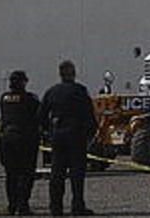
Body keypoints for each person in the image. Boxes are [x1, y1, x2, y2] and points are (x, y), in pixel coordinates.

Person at [39, 60, 97, 216]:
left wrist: (48, 132)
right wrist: (90, 134)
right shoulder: (80, 91)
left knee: (57, 173)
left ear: (60, 74)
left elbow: (41, 116)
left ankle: (55, 207)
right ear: (74, 73)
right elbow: (89, 116)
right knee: (77, 175)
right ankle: (77, 206)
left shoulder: (52, 92)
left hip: (58, 137)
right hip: (76, 137)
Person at [0, 70, 41, 215]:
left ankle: (12, 205)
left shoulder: (4, 98)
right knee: (26, 174)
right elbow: (39, 116)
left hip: (7, 139)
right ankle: (23, 205)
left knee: (11, 174)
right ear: (23, 82)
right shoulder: (30, 99)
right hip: (25, 140)